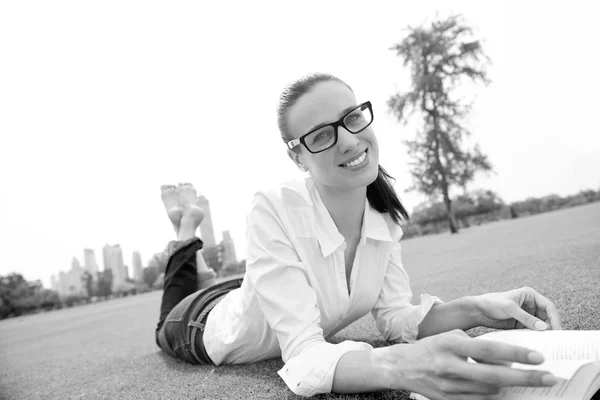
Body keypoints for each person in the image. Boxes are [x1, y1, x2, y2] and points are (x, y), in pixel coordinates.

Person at [154, 73, 563, 399]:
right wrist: (400, 365)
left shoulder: (383, 219)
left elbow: (397, 319)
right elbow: (303, 355)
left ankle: (196, 252)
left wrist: (478, 309)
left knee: (235, 285)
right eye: (320, 136)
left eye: (352, 118)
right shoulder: (272, 208)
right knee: (176, 294)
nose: (349, 140)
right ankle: (186, 232)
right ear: (297, 157)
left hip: (253, 291)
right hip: (200, 323)